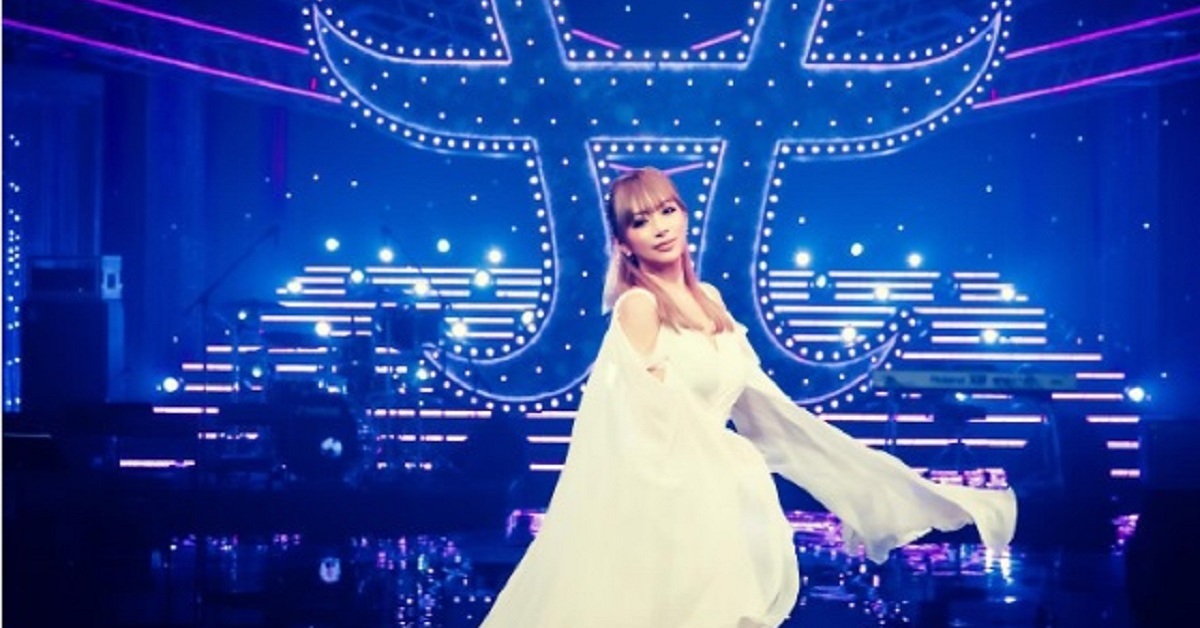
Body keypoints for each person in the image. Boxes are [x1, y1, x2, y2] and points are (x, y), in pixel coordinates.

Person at [480, 167, 1017, 627]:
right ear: (623, 242)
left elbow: (765, 404)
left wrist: (865, 485)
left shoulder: (710, 300)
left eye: (667, 211)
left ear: (684, 214)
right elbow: (634, 423)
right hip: (670, 502)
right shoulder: (638, 307)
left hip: (722, 494)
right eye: (640, 221)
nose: (660, 228)